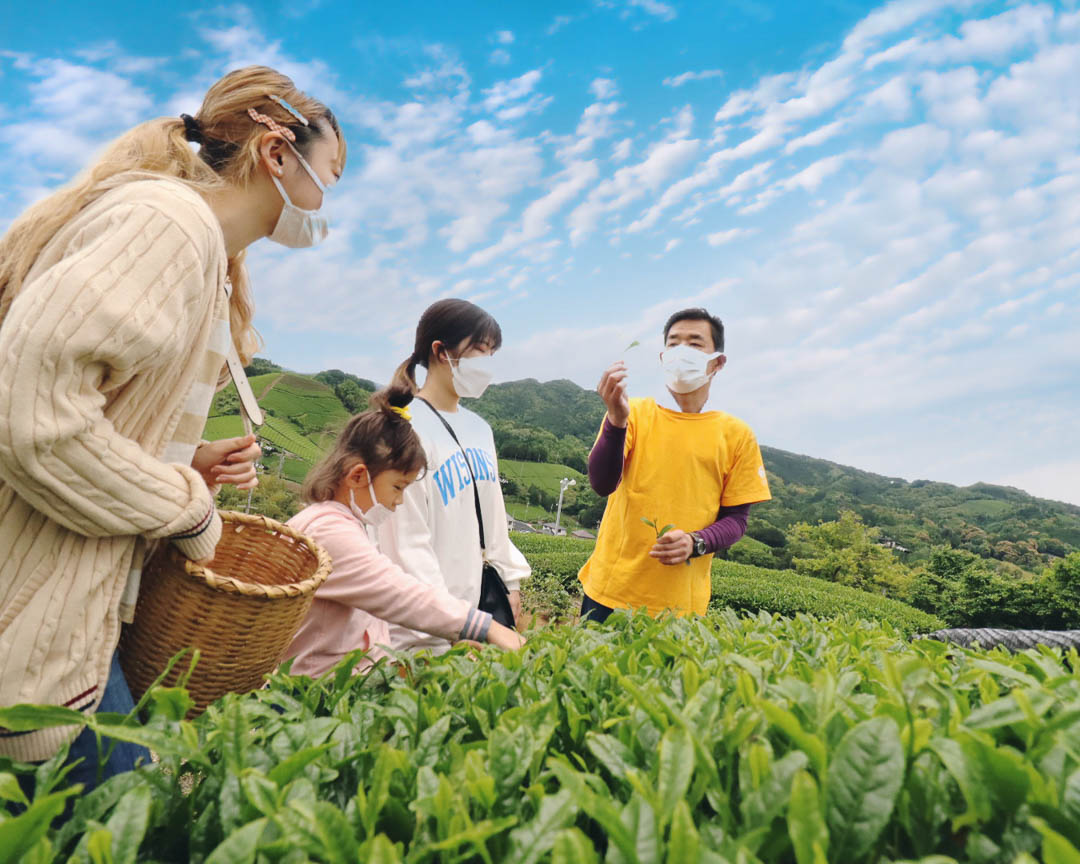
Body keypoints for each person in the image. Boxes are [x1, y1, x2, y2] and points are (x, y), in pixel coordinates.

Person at [0, 66, 345, 787]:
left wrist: (185, 461)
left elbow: (87, 409)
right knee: (141, 814)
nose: (328, 202)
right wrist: (185, 505)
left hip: (70, 615)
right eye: (331, 174)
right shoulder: (167, 225)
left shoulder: (201, 249)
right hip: (34, 617)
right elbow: (32, 417)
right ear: (277, 152)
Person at [283, 390, 525, 678]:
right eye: (398, 487)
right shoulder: (327, 531)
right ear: (358, 476)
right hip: (314, 691)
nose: (398, 502)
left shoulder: (346, 524)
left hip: (344, 681)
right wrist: (485, 627)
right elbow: (398, 593)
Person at [577, 308, 771, 622]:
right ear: (663, 357)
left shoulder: (736, 434)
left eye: (695, 344)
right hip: (610, 593)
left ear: (717, 362)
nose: (682, 353)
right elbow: (601, 483)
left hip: (680, 607)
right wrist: (616, 420)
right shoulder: (633, 413)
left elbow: (736, 520)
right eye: (674, 344)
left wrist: (696, 542)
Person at [375, 299, 531, 654]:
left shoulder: (480, 429)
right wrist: (453, 621)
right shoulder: (402, 427)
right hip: (426, 628)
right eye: (479, 349)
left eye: (492, 352)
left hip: (484, 611)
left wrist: (511, 581)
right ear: (441, 351)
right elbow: (406, 542)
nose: (487, 362)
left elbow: (493, 518)